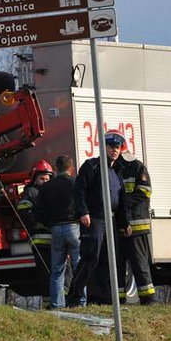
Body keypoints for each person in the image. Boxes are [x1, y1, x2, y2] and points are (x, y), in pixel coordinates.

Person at [67, 130, 128, 307]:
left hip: (113, 221)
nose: (114, 150)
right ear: (103, 147)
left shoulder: (117, 171)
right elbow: (79, 191)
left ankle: (104, 299)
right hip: (95, 219)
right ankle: (75, 297)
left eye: (117, 147)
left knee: (110, 261)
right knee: (90, 258)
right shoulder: (91, 166)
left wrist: (124, 223)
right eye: (111, 146)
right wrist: (83, 212)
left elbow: (121, 198)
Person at [34, 155, 83, 308]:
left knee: (57, 271)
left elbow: (39, 211)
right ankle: (80, 302)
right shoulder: (76, 183)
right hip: (74, 227)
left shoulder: (46, 187)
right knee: (79, 268)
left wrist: (49, 223)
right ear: (72, 168)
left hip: (55, 229)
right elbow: (84, 204)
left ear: (56, 169)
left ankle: (57, 304)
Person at [116, 151, 156, 305]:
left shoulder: (137, 166)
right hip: (118, 226)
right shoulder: (110, 168)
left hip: (137, 225)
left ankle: (149, 300)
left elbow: (145, 191)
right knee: (118, 266)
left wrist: (122, 203)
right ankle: (119, 300)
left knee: (139, 265)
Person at [17, 160, 54, 270]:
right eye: (42, 179)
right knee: (45, 270)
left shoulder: (51, 192)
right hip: (39, 238)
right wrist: (37, 224)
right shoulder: (31, 192)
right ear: (35, 179)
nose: (45, 182)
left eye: (47, 179)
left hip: (54, 238)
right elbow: (23, 211)